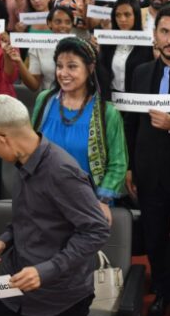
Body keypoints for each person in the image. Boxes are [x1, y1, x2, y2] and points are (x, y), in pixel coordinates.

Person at [0, 95, 110, 316]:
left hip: (57, 300)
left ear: (1, 139)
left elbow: (96, 231)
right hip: (13, 289)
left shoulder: (61, 171)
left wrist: (46, 271)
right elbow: (32, 215)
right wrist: (6, 238)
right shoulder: (22, 161)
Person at [123, 4, 170, 316]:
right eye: (164, 31)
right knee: (154, 239)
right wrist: (128, 166)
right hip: (148, 175)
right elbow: (130, 121)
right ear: (154, 35)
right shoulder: (140, 72)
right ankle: (163, 293)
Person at [31, 37, 127, 205]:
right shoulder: (44, 101)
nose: (63, 73)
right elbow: (30, 147)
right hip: (45, 200)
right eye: (59, 66)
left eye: (72, 66)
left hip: (89, 205)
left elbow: (117, 164)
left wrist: (102, 201)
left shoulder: (107, 112)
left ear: (90, 68)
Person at [97, 0, 155, 101]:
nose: (122, 19)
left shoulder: (147, 44)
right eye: (118, 15)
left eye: (127, 15)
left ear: (136, 16)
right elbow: (102, 75)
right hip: (111, 101)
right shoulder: (107, 43)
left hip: (137, 103)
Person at [12, 6, 76, 91]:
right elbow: (34, 86)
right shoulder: (38, 47)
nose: (63, 26)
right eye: (58, 22)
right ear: (49, 23)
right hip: (50, 97)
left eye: (67, 22)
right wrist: (19, 62)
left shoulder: (79, 46)